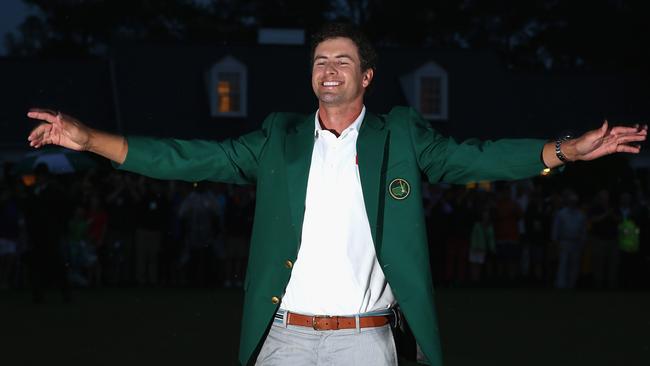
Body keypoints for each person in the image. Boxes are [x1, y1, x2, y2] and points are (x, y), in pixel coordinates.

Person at [25, 23, 646, 366]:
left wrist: (564, 150)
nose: (328, 67)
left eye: (342, 60)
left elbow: (475, 157)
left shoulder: (400, 135)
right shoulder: (278, 138)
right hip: (284, 337)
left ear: (366, 76)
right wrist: (88, 139)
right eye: (320, 59)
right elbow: (185, 155)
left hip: (363, 340)